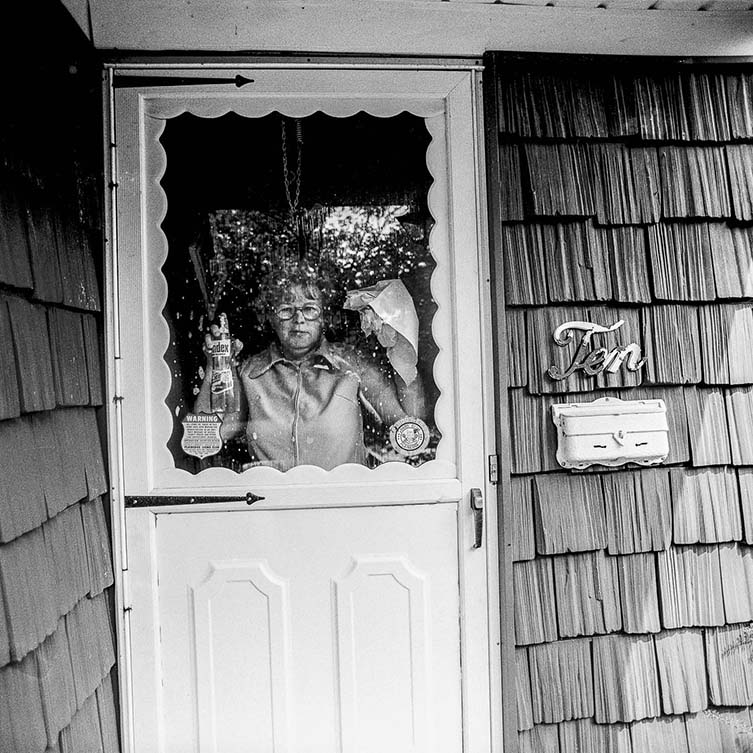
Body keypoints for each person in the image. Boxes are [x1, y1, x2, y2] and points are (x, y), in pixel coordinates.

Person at [194, 275, 426, 471]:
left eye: (310, 309)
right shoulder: (249, 372)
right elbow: (204, 441)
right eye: (286, 309)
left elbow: (409, 425)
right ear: (270, 318)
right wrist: (215, 366)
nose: (299, 319)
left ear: (324, 317)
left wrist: (400, 342)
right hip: (271, 511)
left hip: (344, 508)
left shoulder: (352, 366)